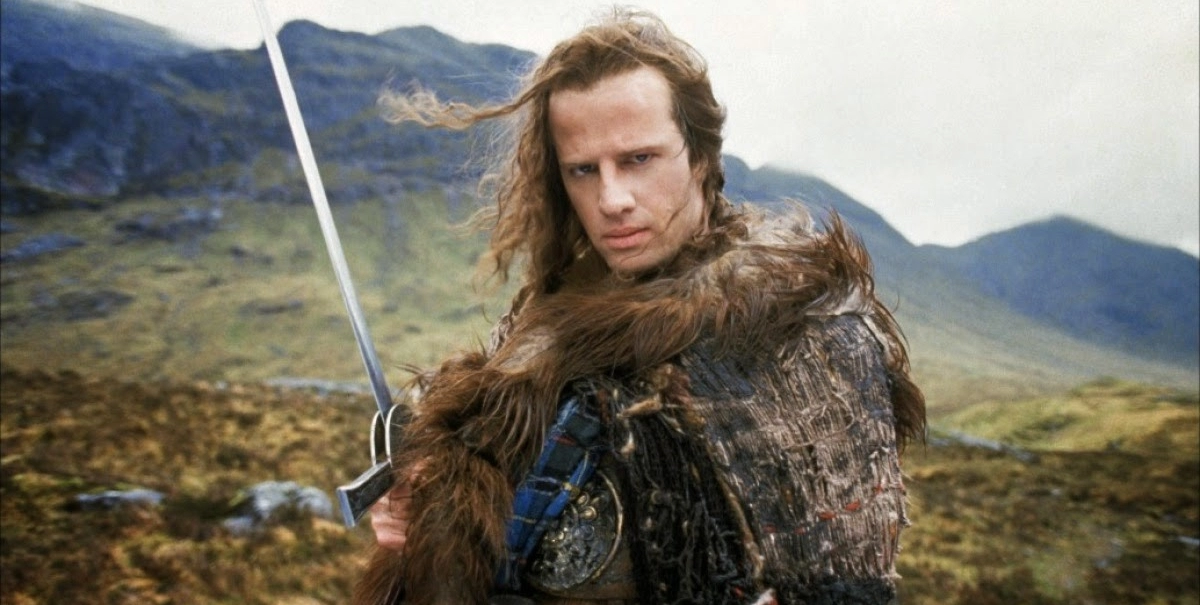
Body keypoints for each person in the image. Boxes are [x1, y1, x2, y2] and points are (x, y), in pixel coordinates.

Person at [354, 8, 925, 605]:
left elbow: (847, 585)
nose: (611, 199)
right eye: (583, 170)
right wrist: (423, 506)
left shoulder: (813, 340)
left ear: (699, 157)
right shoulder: (537, 330)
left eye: (638, 159)